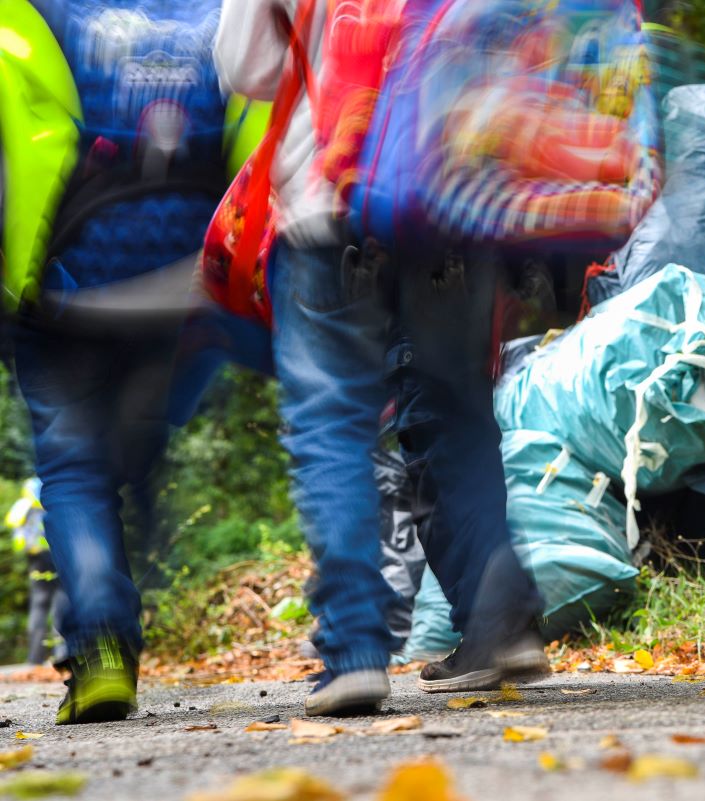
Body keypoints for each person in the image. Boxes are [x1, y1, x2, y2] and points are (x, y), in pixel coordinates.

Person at [213, 0, 548, 713]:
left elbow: (246, 67)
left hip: (329, 201)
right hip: (452, 194)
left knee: (333, 423)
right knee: (457, 410)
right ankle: (501, 621)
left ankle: (356, 648)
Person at [1, 0, 257, 724]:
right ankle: (130, 562)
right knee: (131, 453)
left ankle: (102, 640)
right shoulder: (214, 14)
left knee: (74, 465)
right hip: (189, 274)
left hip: (66, 276)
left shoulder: (36, 12)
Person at [6, 478, 65, 665]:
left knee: (39, 604)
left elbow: (16, 535)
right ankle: (62, 654)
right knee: (61, 601)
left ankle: (35, 658)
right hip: (57, 553)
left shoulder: (23, 505)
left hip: (35, 557)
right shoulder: (58, 494)